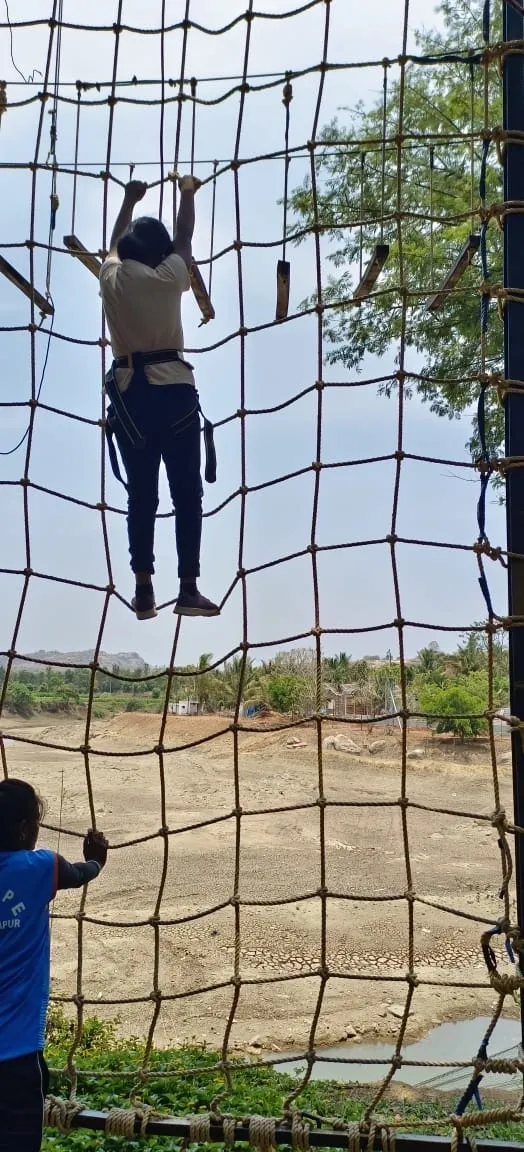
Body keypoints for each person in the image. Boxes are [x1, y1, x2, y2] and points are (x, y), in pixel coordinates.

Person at [99, 175, 220, 621]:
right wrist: (187, 192)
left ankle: (144, 590)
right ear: (160, 253)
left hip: (130, 397)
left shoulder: (111, 277)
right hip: (174, 392)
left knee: (141, 497)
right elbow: (184, 239)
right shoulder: (169, 276)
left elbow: (113, 244)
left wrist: (129, 200)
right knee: (186, 494)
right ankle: (188, 588)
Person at [0, 778, 108, 1152]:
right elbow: (81, 873)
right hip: (15, 1055)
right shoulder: (41, 867)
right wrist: (96, 858)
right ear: (25, 828)